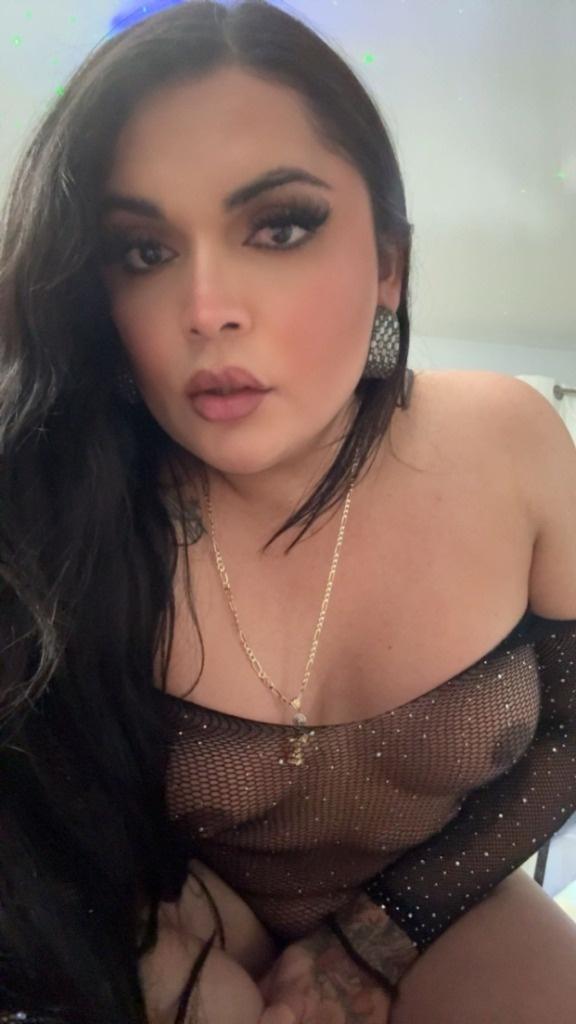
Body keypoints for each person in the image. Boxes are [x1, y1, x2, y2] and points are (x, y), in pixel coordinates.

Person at [0, 1, 575, 1022]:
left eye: (279, 226)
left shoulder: (515, 443)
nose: (207, 308)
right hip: (176, 914)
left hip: (449, 898)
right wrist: (155, 955)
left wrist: (383, 933)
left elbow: (573, 726)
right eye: (143, 251)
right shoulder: (60, 505)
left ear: (389, 262)